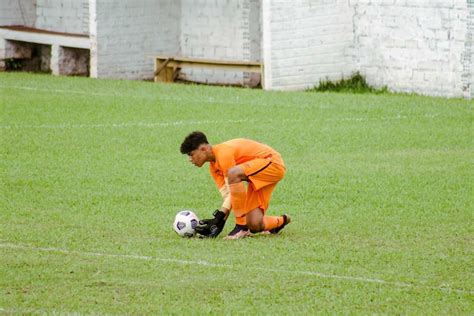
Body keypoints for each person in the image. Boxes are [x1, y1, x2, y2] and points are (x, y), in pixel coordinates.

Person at [179, 131, 291, 240]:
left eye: (191, 154)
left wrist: (223, 218)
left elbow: (234, 176)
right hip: (257, 174)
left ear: (203, 149)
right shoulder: (213, 168)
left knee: (233, 173)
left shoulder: (223, 154)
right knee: (254, 224)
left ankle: (241, 227)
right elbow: (230, 195)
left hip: (273, 163)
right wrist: (219, 220)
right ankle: (281, 221)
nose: (190, 159)